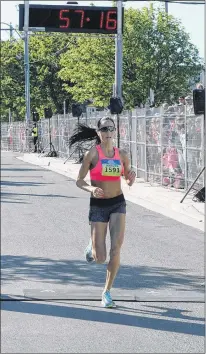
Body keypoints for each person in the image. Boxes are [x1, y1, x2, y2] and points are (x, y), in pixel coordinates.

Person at [69, 117, 136, 308]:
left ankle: (106, 292)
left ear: (115, 131)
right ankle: (92, 245)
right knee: (100, 258)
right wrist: (91, 189)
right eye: (104, 129)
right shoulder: (92, 154)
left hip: (117, 203)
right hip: (98, 205)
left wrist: (131, 178)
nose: (108, 132)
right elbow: (79, 180)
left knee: (116, 249)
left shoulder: (122, 154)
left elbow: (127, 178)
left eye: (111, 128)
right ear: (98, 132)